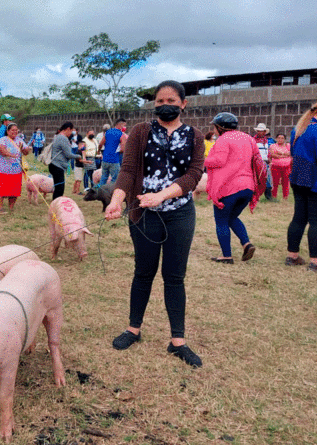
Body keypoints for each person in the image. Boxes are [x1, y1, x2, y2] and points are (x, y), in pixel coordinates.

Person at [104, 80, 205, 368]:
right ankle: (133, 329)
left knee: (175, 277)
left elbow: (194, 175)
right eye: (160, 101)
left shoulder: (194, 136)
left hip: (180, 213)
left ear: (183, 104)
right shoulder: (140, 132)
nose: (165, 105)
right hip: (145, 214)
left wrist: (161, 195)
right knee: (143, 272)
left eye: (171, 100)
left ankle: (178, 342)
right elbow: (128, 169)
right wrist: (117, 199)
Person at [285, 99, 317, 272]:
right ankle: (315, 262)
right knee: (316, 222)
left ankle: (292, 256)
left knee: (299, 218)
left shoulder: (298, 129)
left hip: (299, 179)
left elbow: (293, 152)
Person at [204, 112, 260, 264]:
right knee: (232, 217)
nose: (214, 130)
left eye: (214, 127)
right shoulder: (248, 138)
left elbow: (219, 160)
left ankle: (227, 256)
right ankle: (246, 243)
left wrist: (204, 160)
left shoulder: (223, 140)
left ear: (220, 127)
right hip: (248, 187)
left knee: (221, 221)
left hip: (229, 187)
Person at [0, 123, 29, 213]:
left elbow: (26, 151)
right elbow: (0, 148)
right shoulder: (3, 139)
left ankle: (11, 207)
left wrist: (24, 149)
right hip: (2, 170)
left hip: (16, 170)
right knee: (1, 189)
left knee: (14, 190)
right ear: (8, 131)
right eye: (12, 130)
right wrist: (10, 154)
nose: (15, 132)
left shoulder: (20, 140)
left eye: (16, 130)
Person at [49, 122, 84, 200]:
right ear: (68, 129)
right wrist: (78, 156)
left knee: (58, 188)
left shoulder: (57, 136)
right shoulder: (63, 138)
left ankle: (55, 205)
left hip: (55, 165)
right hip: (58, 166)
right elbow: (68, 154)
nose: (71, 133)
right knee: (59, 189)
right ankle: (56, 207)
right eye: (71, 131)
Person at [98, 118, 127, 184]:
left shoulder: (107, 132)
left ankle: (99, 192)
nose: (125, 127)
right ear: (120, 125)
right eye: (124, 125)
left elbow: (100, 144)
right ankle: (110, 193)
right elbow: (123, 149)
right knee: (115, 179)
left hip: (105, 159)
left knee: (103, 178)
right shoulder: (122, 135)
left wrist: (98, 151)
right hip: (114, 160)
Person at [268, 134, 292, 200]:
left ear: (284, 139)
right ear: (276, 139)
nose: (280, 139)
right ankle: (273, 196)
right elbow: (273, 154)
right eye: (279, 138)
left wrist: (279, 153)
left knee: (286, 182)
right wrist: (284, 154)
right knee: (275, 182)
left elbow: (290, 153)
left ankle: (285, 197)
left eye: (282, 138)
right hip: (275, 166)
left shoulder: (288, 145)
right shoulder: (273, 146)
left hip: (286, 166)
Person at [253, 123, 274, 200]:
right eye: (258, 131)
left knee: (267, 179)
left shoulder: (267, 141)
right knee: (256, 179)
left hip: (266, 162)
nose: (260, 132)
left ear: (265, 132)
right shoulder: (253, 140)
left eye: (261, 131)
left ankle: (268, 196)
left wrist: (269, 159)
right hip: (257, 162)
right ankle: (254, 196)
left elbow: (268, 151)